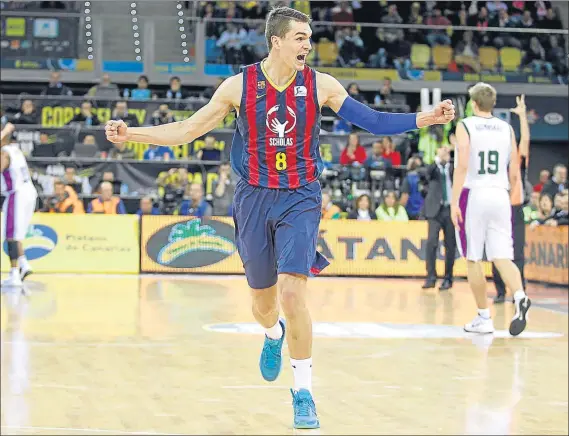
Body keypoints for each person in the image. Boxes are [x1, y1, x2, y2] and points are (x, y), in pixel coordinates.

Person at [105, 6, 455, 428]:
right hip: (253, 197)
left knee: (293, 294)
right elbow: (187, 130)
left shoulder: (320, 85)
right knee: (263, 304)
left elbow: (371, 119)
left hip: (301, 197)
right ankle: (272, 335)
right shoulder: (239, 87)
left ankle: (303, 392)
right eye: (300, 38)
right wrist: (132, 134)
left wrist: (424, 118)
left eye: (309, 38)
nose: (308, 45)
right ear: (277, 41)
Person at [451, 82, 530, 337]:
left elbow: (462, 165)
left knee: (473, 258)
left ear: (473, 103)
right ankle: (519, 295)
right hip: (500, 193)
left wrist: (454, 201)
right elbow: (515, 170)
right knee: (502, 255)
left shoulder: (465, 125)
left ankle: (484, 317)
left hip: (474, 192)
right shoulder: (507, 129)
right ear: (492, 103)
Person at [492, 95, 529, 304]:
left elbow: (525, 141)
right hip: (498, 208)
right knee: (497, 251)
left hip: (515, 208)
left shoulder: (517, 158)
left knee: (517, 253)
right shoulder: (496, 158)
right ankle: (499, 291)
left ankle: (519, 291)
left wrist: (523, 117)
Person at [1, 122, 38, 288]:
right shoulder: (15, 149)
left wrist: (4, 131)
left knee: (11, 235)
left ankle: (14, 274)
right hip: (28, 192)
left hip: (17, 194)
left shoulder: (5, 153)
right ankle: (23, 265)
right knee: (17, 234)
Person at [422, 146, 456, 291]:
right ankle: (431, 277)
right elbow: (425, 174)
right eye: (441, 151)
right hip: (434, 210)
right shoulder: (433, 168)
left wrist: (449, 161)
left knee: (450, 245)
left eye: (446, 151)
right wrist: (437, 160)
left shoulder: (453, 168)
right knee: (431, 243)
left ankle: (448, 278)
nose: (444, 154)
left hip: (450, 209)